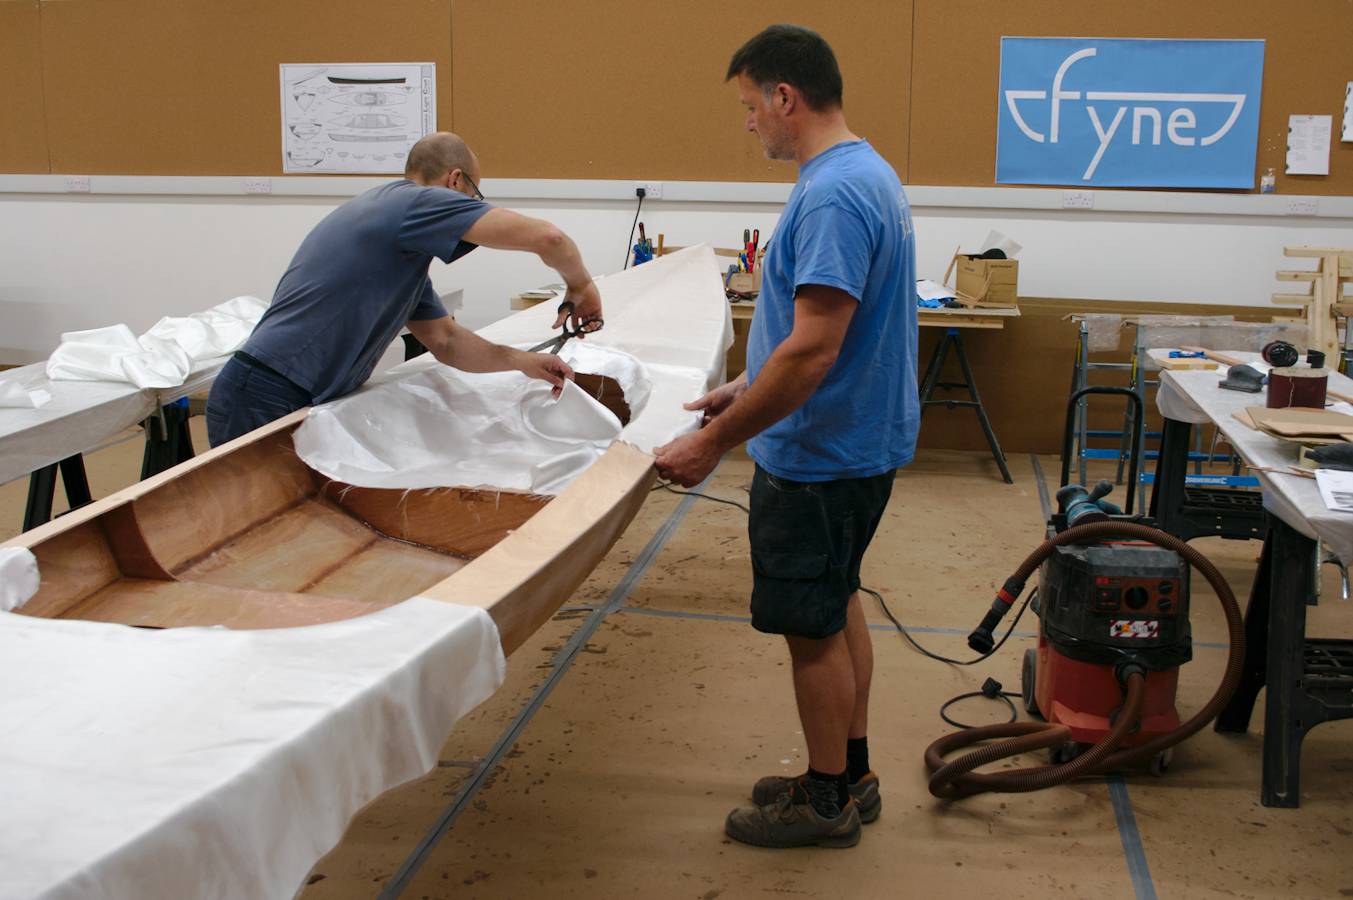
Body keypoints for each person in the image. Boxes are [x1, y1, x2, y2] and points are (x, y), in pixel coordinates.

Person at [654, 24, 918, 849]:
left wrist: (714, 440)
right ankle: (850, 771)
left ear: (784, 98)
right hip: (852, 443)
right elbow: (805, 338)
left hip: (819, 456)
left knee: (809, 631)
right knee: (835, 605)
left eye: (748, 106)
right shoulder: (865, 173)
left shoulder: (833, 192)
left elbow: (814, 349)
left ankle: (825, 799)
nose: (747, 124)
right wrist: (743, 381)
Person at [206, 132, 602, 447]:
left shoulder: (400, 248)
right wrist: (581, 286)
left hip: (280, 392)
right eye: (473, 197)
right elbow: (549, 238)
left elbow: (446, 340)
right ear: (455, 180)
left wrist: (523, 363)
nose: (471, 208)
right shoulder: (415, 203)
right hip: (262, 394)